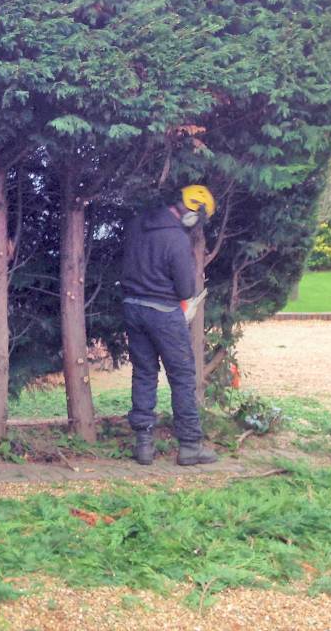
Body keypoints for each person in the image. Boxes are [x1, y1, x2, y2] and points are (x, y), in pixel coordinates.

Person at [121, 185, 219, 467]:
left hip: (132, 307)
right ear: (192, 213)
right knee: (182, 377)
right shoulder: (176, 239)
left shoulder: (139, 224)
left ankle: (143, 446)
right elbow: (186, 289)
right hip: (163, 313)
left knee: (144, 373)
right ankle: (190, 446)